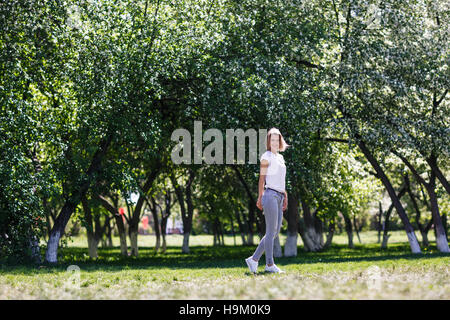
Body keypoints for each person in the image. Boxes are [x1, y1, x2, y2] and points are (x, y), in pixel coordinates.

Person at [245, 127, 289, 274]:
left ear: (280, 141)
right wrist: (260, 196)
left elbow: (281, 179)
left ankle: (254, 259)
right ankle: (269, 264)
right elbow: (262, 178)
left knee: (275, 231)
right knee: (271, 231)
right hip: (269, 195)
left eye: (277, 139)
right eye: (272, 140)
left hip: (280, 195)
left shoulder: (281, 158)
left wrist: (285, 195)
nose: (275, 142)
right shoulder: (266, 156)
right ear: (269, 142)